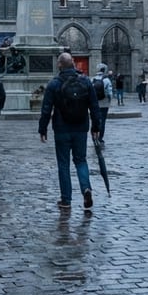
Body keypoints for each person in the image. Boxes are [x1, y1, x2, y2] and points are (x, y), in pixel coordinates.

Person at [39, 52, 101, 211]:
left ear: (59, 65)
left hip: (61, 128)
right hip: (81, 127)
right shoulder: (85, 81)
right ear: (73, 63)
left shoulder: (54, 83)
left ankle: (66, 200)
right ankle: (86, 188)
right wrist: (96, 127)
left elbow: (46, 108)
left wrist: (43, 128)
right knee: (81, 160)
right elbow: (94, 106)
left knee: (63, 164)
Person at [93, 64, 114, 143]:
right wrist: (109, 100)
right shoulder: (107, 80)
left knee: (95, 119)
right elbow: (109, 92)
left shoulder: (93, 79)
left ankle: (94, 135)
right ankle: (100, 138)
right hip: (104, 103)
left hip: (95, 103)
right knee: (103, 120)